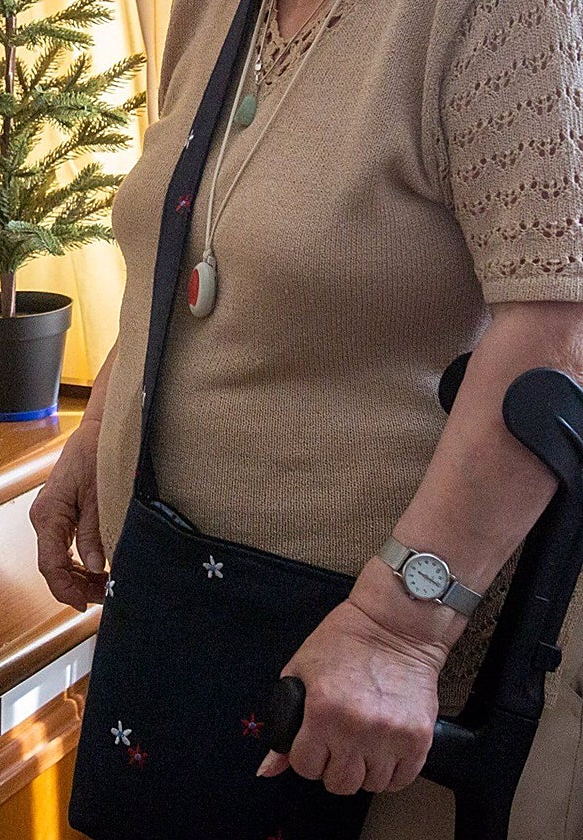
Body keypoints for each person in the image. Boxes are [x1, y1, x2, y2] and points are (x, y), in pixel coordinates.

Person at [29, 0, 583, 837]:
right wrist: (100, 431)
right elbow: (187, 251)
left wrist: (398, 632)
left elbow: (558, 327)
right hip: (176, 602)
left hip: (353, 674)